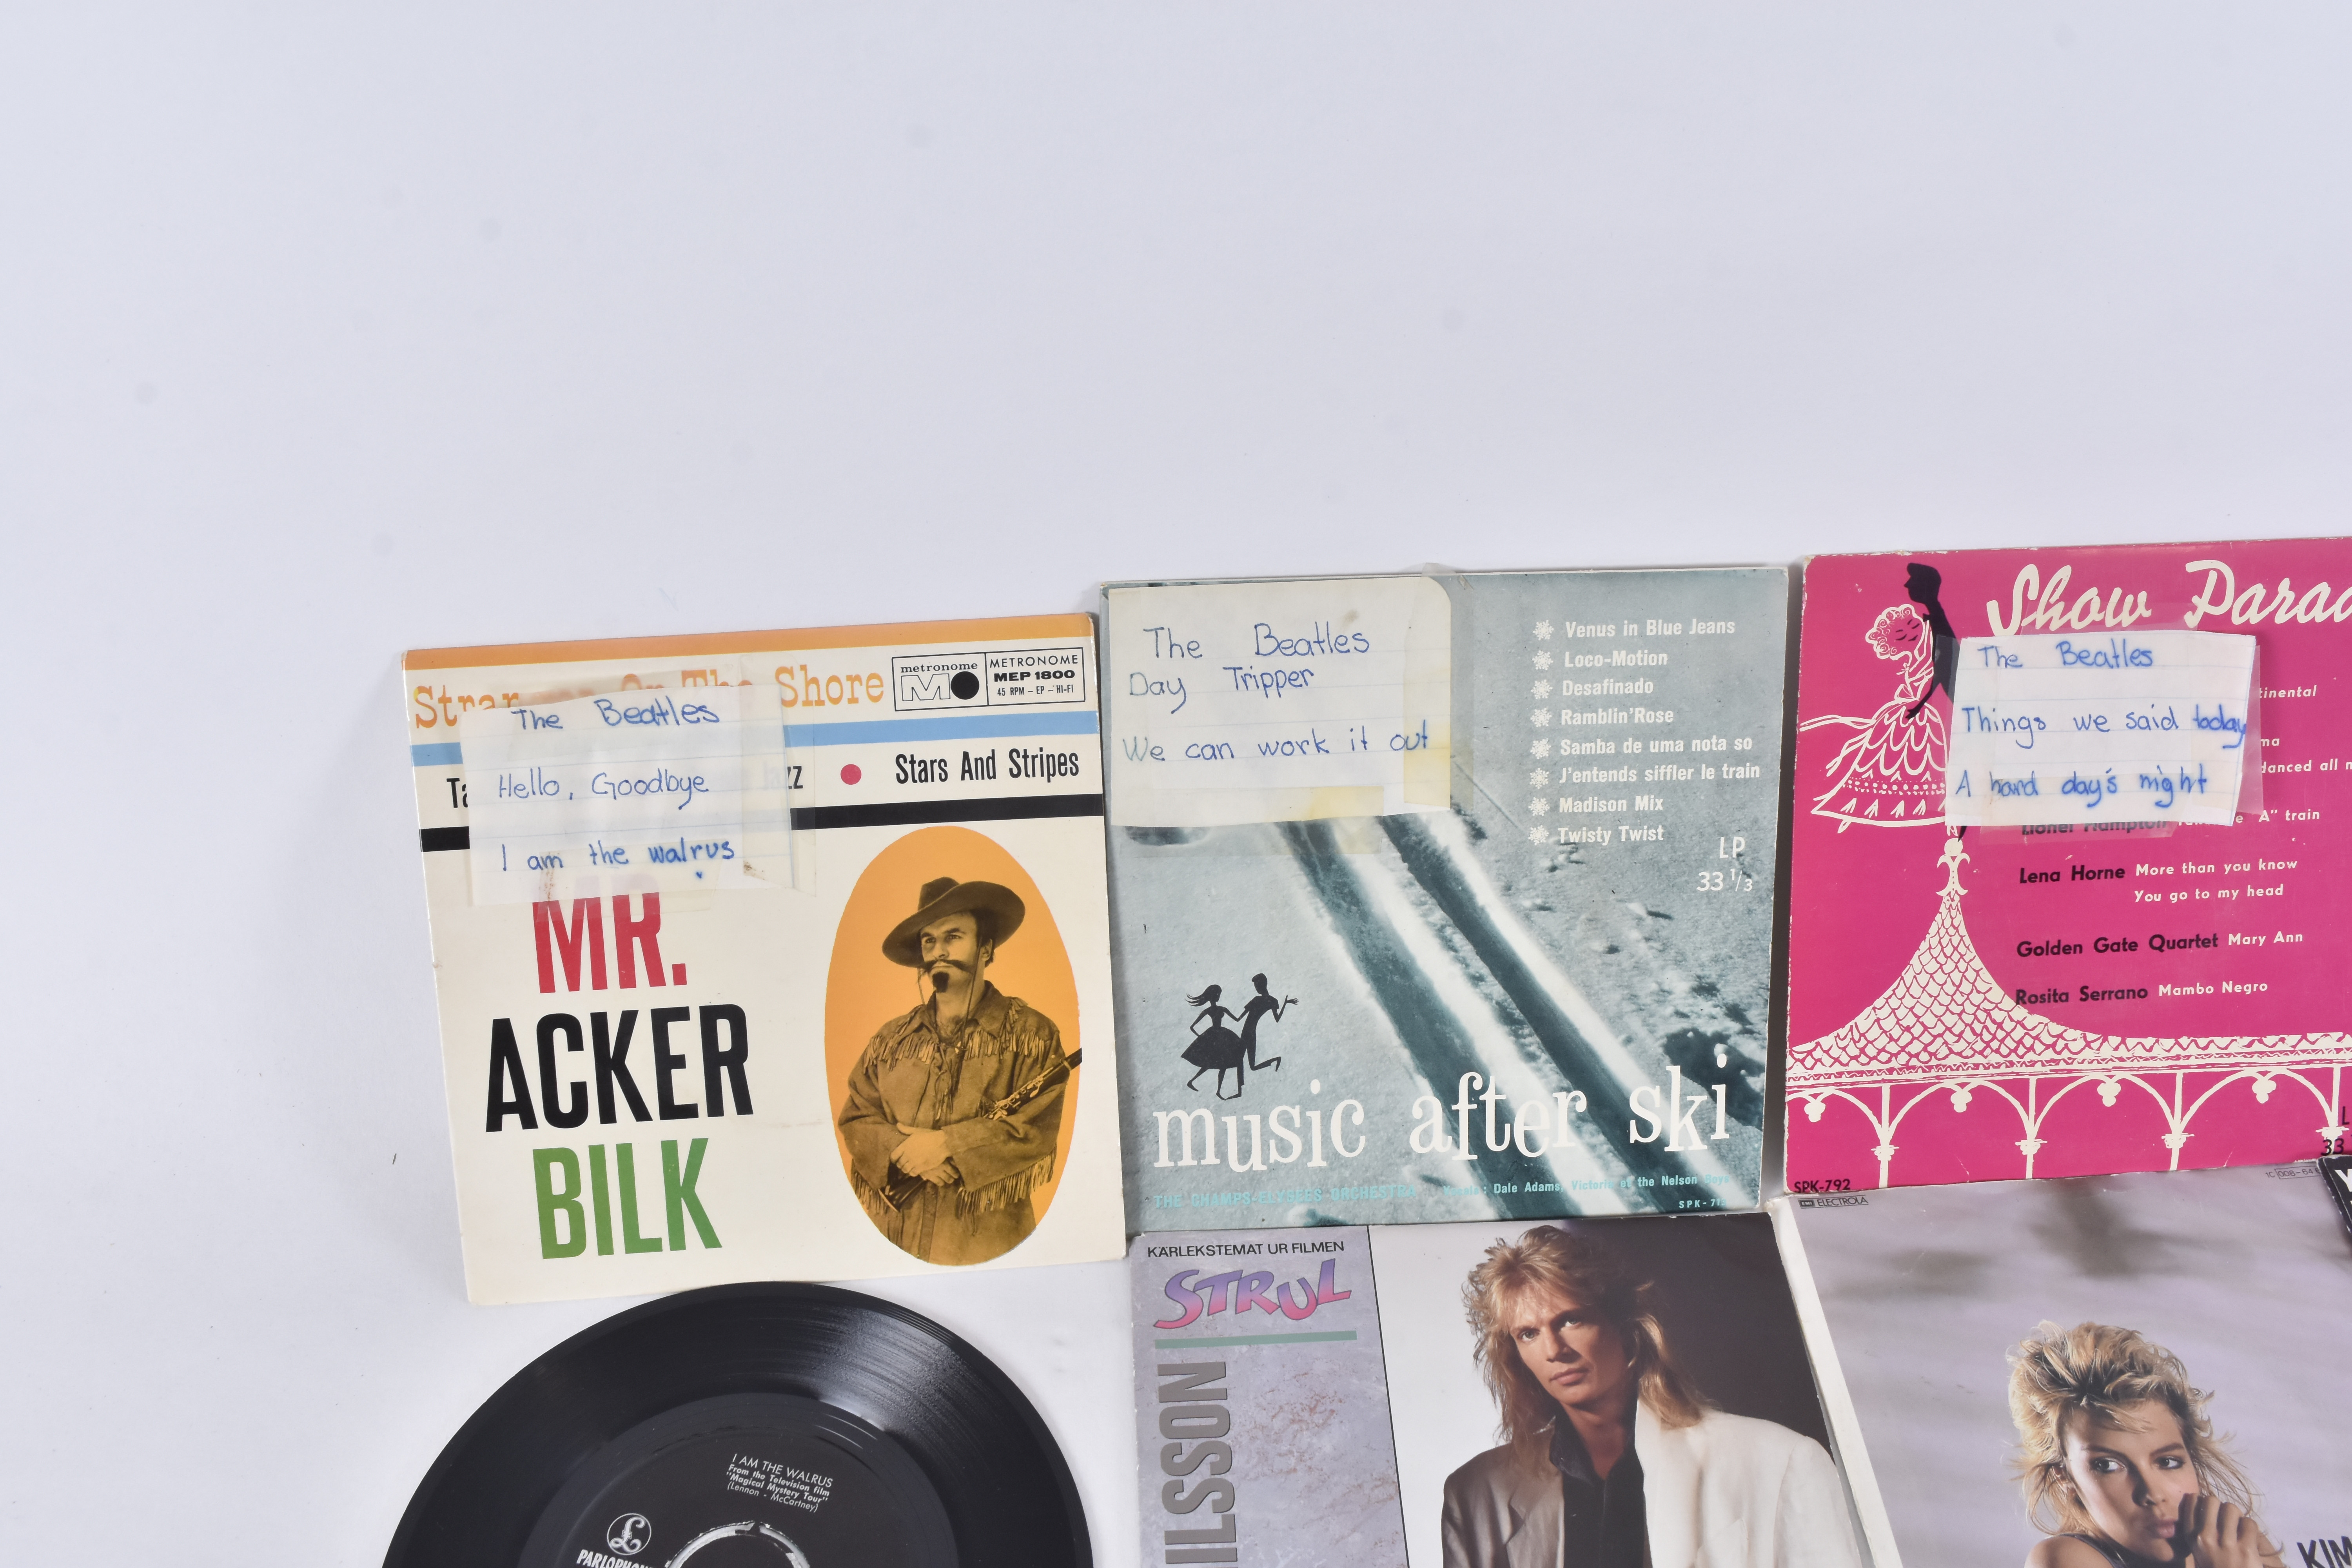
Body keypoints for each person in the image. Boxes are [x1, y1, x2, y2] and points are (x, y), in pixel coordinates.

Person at [1442, 1225, 1862, 1568]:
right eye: (1528, 1334)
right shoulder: (1475, 1492)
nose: (1554, 1350)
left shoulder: (1783, 1459)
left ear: (1625, 1326)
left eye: (1571, 1320)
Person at [837, 876, 1072, 1265]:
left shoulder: (1032, 1035)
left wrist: (947, 1144)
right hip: (894, 1240)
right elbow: (857, 1116)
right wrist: (902, 1150)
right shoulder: (890, 1039)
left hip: (986, 1244)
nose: (939, 951)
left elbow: (1034, 1131)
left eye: (954, 937)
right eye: (929, 940)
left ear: (986, 948)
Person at [2007, 1322, 2283, 1568]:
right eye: (2108, 1466)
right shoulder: (2064, 1559)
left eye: (2168, 1462)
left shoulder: (2240, 1549)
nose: (2152, 1494)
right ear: (2064, 1478)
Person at [1181, 984, 1247, 1099]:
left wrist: (1202, 1037)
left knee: (1219, 1064)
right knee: (1215, 1063)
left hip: (1219, 1036)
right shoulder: (1217, 1010)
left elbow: (1237, 1019)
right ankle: (1195, 1082)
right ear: (1214, 996)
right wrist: (1202, 1038)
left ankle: (1216, 1091)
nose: (1219, 996)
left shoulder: (1216, 1009)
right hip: (1216, 1037)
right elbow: (1192, 1027)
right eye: (1218, 994)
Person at [1234, 973, 1294, 1078]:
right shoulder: (1272, 1001)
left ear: (1262, 985)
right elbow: (1277, 1019)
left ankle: (1240, 1087)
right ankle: (1276, 1060)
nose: (1256, 989)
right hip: (1252, 1034)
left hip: (1246, 1033)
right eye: (1256, 986)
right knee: (1250, 1065)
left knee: (1240, 1061)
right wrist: (1285, 1004)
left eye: (1257, 986)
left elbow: (1239, 1019)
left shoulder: (1257, 1000)